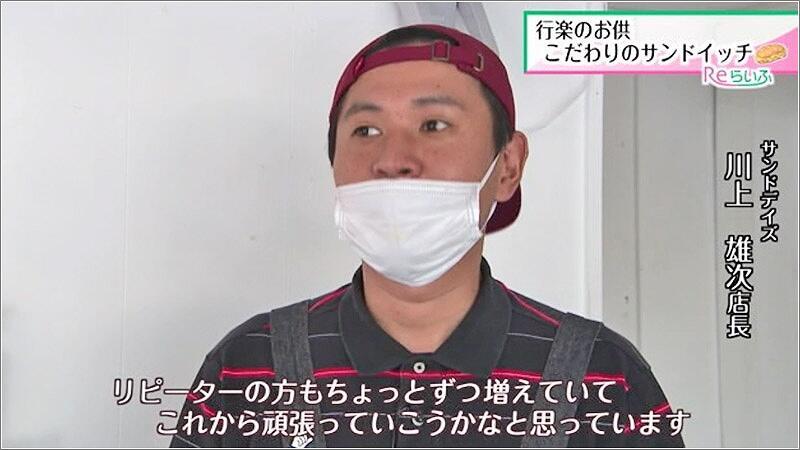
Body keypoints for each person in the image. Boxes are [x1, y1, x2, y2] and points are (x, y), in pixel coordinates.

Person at [170, 24, 685, 448]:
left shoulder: (604, 377)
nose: (394, 160)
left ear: (508, 165)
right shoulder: (246, 368)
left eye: (434, 125)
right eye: (366, 131)